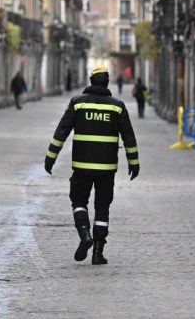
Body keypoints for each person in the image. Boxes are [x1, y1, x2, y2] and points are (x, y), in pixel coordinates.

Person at [44, 65, 140, 265]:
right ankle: (97, 252)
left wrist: (50, 157)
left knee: (79, 201)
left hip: (82, 166)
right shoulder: (117, 106)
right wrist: (134, 163)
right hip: (106, 168)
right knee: (102, 207)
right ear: (107, 82)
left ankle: (84, 234)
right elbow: (129, 137)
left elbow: (61, 131)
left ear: (91, 81)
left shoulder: (78, 103)